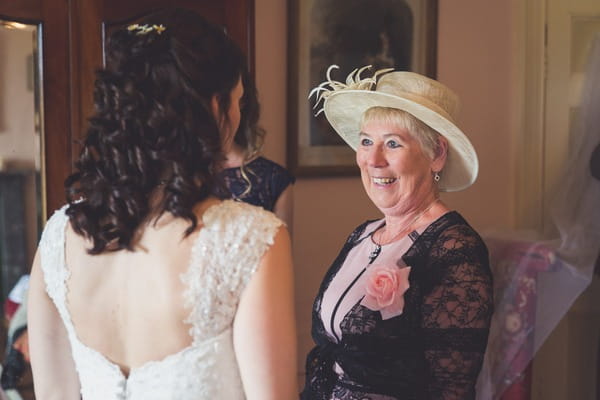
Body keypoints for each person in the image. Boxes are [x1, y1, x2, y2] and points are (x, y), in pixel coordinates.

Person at [27, 9, 297, 400]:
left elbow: (53, 394)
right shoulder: (250, 239)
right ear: (215, 107)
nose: (238, 116)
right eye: (236, 100)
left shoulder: (59, 237)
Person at [302, 65, 494, 399]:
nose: (373, 160)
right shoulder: (363, 235)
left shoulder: (454, 249)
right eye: (366, 141)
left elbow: (451, 390)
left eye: (392, 143)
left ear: (436, 155)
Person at [217, 68, 295, 227]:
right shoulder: (171, 175)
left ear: (241, 102)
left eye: (225, 100)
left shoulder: (273, 178)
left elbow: (284, 247)